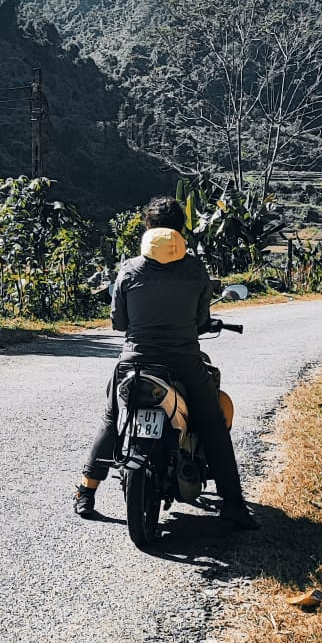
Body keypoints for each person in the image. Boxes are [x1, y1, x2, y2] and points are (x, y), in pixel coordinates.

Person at [73, 196, 256, 531]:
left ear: (148, 228)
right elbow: (202, 320)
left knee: (113, 418)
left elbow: (118, 323)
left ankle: (86, 492)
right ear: (181, 230)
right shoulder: (195, 270)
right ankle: (232, 503)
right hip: (184, 361)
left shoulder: (129, 269)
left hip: (134, 362)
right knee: (213, 424)